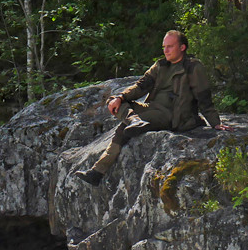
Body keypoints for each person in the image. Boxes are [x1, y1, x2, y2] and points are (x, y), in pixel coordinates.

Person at [76, 30, 229, 186]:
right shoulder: (161, 65)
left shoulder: (193, 67)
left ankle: (97, 172)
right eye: (164, 47)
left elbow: (204, 96)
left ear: (182, 47)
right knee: (115, 101)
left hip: (174, 115)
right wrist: (120, 97)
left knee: (123, 129)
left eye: (170, 46)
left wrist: (215, 122)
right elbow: (141, 86)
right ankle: (133, 122)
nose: (166, 50)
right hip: (153, 108)